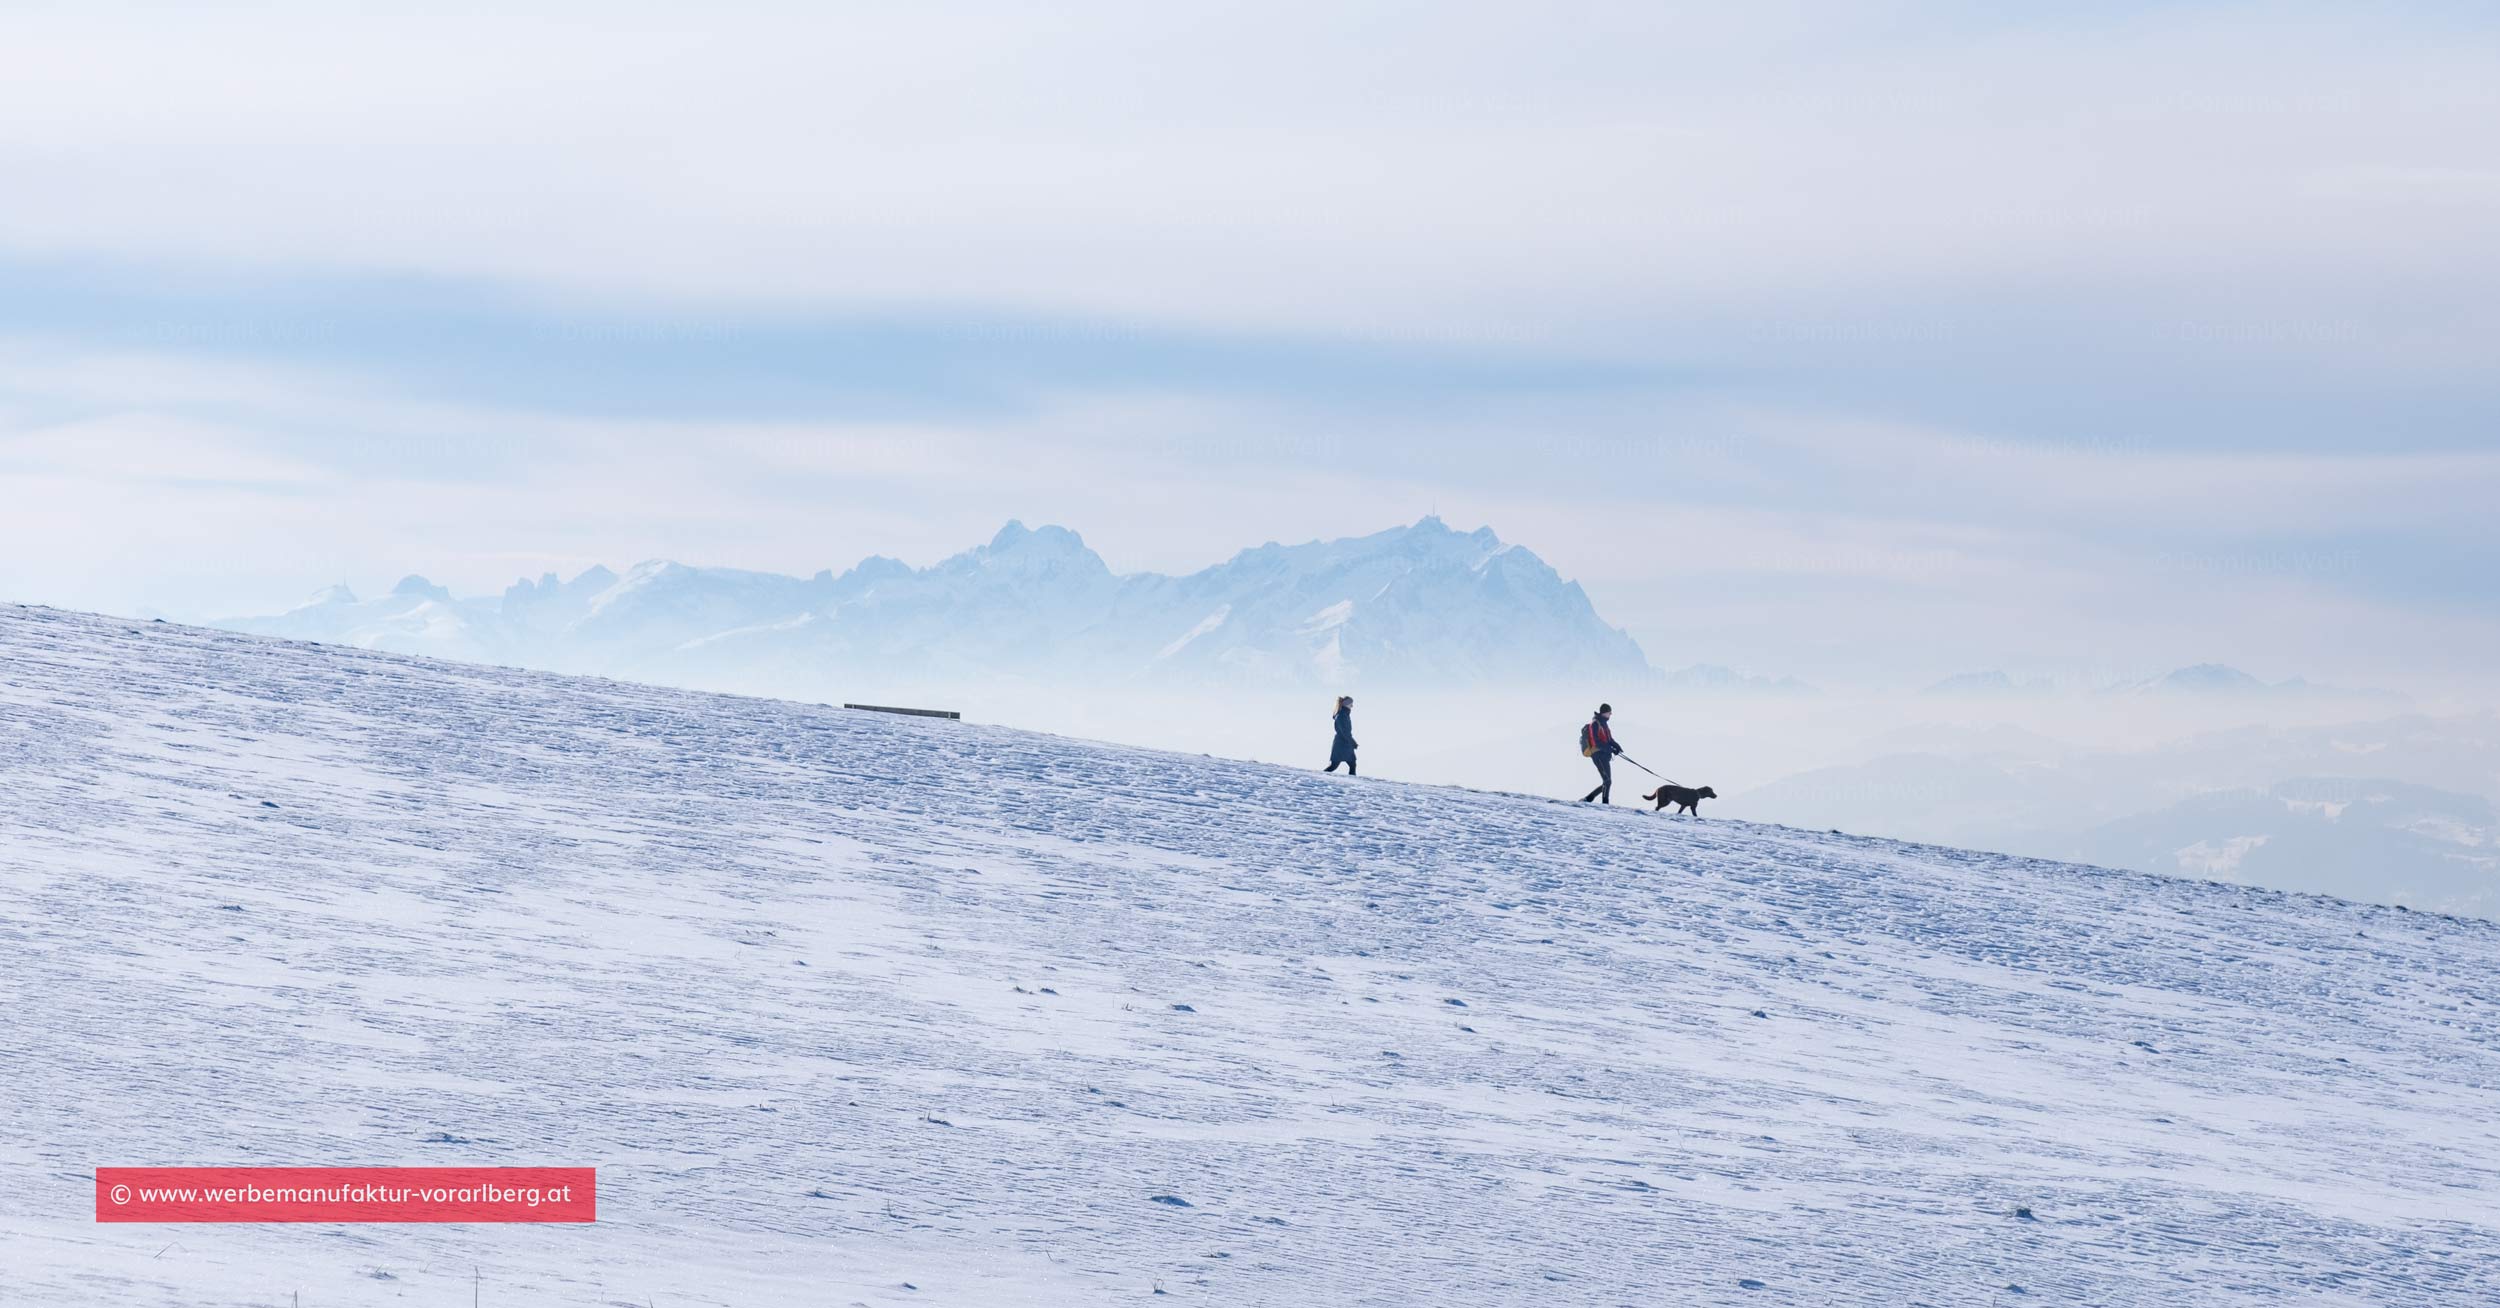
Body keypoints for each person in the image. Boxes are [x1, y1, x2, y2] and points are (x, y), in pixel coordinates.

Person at [1579, 703, 1623, 803]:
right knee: (1607, 781)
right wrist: (1611, 749)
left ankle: (1588, 799)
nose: (1610, 715)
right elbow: (1596, 742)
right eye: (1609, 713)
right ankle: (1604, 803)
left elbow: (1609, 739)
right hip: (1597, 755)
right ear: (1604, 712)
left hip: (1604, 755)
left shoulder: (1604, 724)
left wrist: (1617, 746)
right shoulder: (1595, 724)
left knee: (1607, 782)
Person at [1324, 695, 1358, 775]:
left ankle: (1352, 783)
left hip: (1345, 743)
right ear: (1346, 704)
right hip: (1341, 744)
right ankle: (1319, 777)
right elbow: (1345, 732)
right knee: (1333, 766)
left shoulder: (1344, 714)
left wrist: (1352, 742)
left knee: (1352, 764)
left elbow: (1346, 732)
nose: (1352, 706)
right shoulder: (1342, 715)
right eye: (1351, 704)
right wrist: (1352, 742)